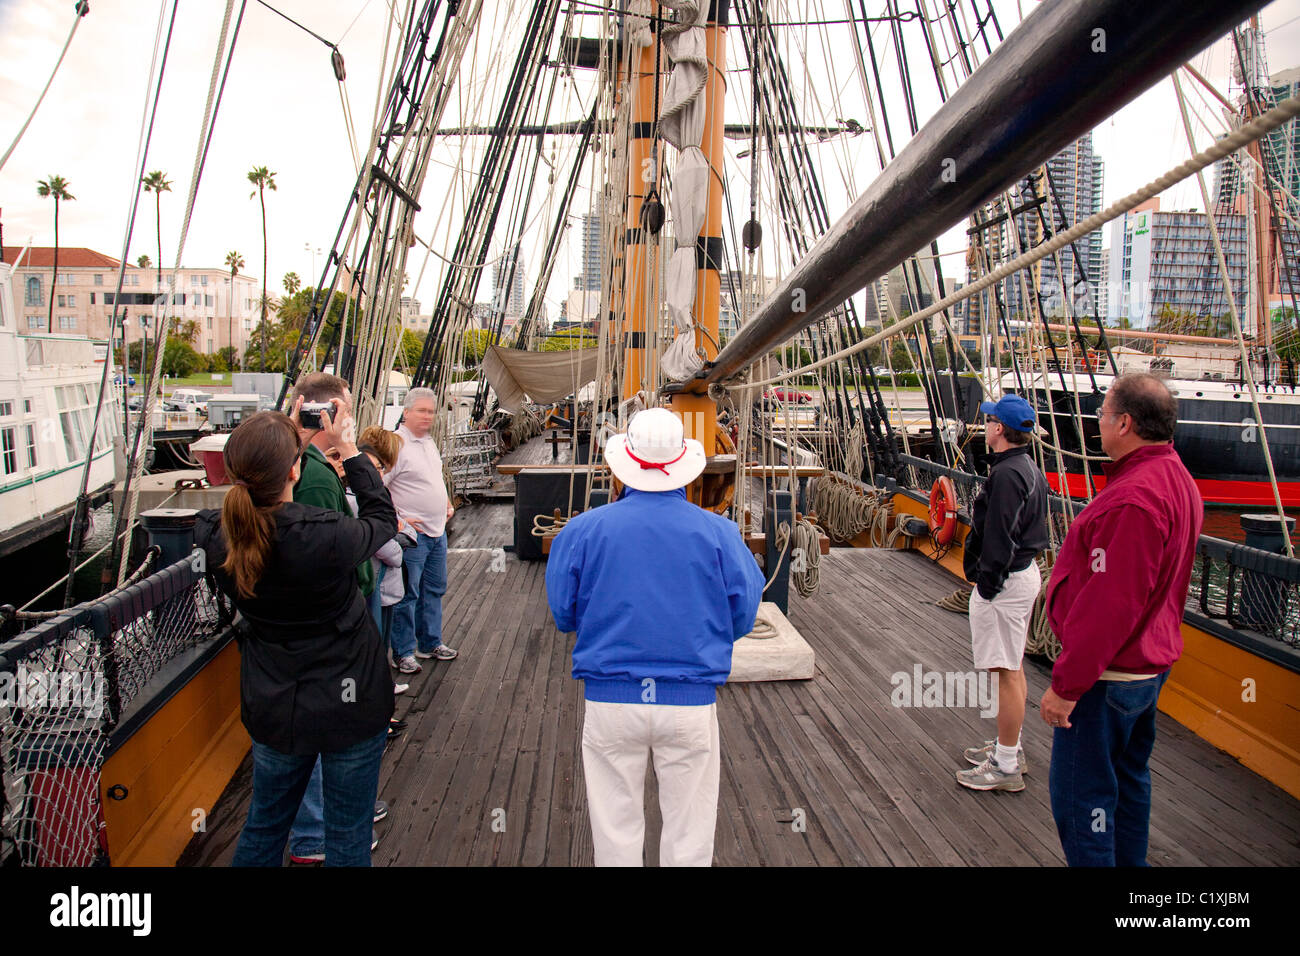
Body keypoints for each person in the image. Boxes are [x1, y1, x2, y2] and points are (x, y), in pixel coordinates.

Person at [545, 408, 764, 866]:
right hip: (689, 701)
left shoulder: (584, 530)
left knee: (615, 828)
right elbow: (743, 614)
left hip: (611, 700)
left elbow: (563, 613)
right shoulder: (720, 533)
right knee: (689, 830)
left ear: (623, 467)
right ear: (683, 466)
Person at [194, 403, 397, 866]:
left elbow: (258, 504)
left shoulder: (216, 537)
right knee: (347, 833)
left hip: (275, 704)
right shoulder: (324, 535)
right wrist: (346, 447)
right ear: (294, 470)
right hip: (349, 705)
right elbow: (382, 520)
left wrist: (282, 439)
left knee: (265, 826)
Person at [1040, 373, 1202, 866]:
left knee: (1084, 802)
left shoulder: (1134, 499)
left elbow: (1111, 606)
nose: (1099, 425)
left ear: (1126, 423)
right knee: (1128, 788)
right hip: (1145, 672)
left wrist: (1066, 686)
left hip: (1108, 682)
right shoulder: (1177, 479)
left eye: (1103, 416)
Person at [283, 372, 385, 863]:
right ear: (332, 414)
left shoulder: (308, 467)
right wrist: (351, 451)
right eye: (345, 411)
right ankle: (321, 835)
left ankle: (316, 832)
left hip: (290, 653)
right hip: (329, 630)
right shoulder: (319, 477)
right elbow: (356, 537)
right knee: (337, 730)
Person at [956, 393, 1048, 792]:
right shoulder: (1026, 467)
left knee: (1006, 672)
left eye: (989, 419)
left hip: (1006, 582)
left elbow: (1000, 536)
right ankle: (1011, 747)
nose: (986, 425)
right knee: (1011, 667)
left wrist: (987, 585)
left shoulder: (1008, 475)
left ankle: (1006, 765)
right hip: (1021, 575)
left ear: (997, 428)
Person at [385, 387, 458, 674]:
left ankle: (429, 642)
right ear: (406, 412)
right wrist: (399, 520)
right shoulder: (396, 445)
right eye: (422, 411)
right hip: (413, 537)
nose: (428, 416)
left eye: (431, 411)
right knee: (407, 594)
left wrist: (447, 502)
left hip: (437, 530)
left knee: (434, 589)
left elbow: (434, 478)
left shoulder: (428, 442)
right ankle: (403, 652)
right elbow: (379, 487)